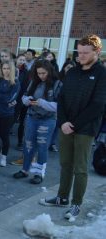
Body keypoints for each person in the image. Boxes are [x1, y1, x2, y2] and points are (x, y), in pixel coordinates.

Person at [40, 34, 106, 219]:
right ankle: (62, 197)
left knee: (80, 168)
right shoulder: (73, 72)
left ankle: (76, 204)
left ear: (97, 52)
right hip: (66, 126)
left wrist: (74, 124)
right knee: (65, 164)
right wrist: (63, 122)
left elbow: (98, 105)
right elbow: (61, 99)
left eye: (86, 53)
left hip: (85, 129)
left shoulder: (102, 74)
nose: (81, 56)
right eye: (79, 52)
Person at [13, 60, 61, 184]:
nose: (41, 76)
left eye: (44, 73)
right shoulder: (34, 82)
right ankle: (25, 170)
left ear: (49, 71)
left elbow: (60, 106)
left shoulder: (57, 84)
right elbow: (24, 96)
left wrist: (43, 103)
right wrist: (26, 100)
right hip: (31, 117)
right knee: (28, 144)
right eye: (39, 73)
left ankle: (39, 173)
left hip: (47, 119)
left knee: (42, 146)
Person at [0, 61, 20, 166]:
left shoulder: (15, 82)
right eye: (4, 68)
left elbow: (10, 98)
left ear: (12, 70)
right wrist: (2, 97)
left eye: (8, 68)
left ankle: (4, 157)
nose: (6, 71)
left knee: (4, 136)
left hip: (7, 114)